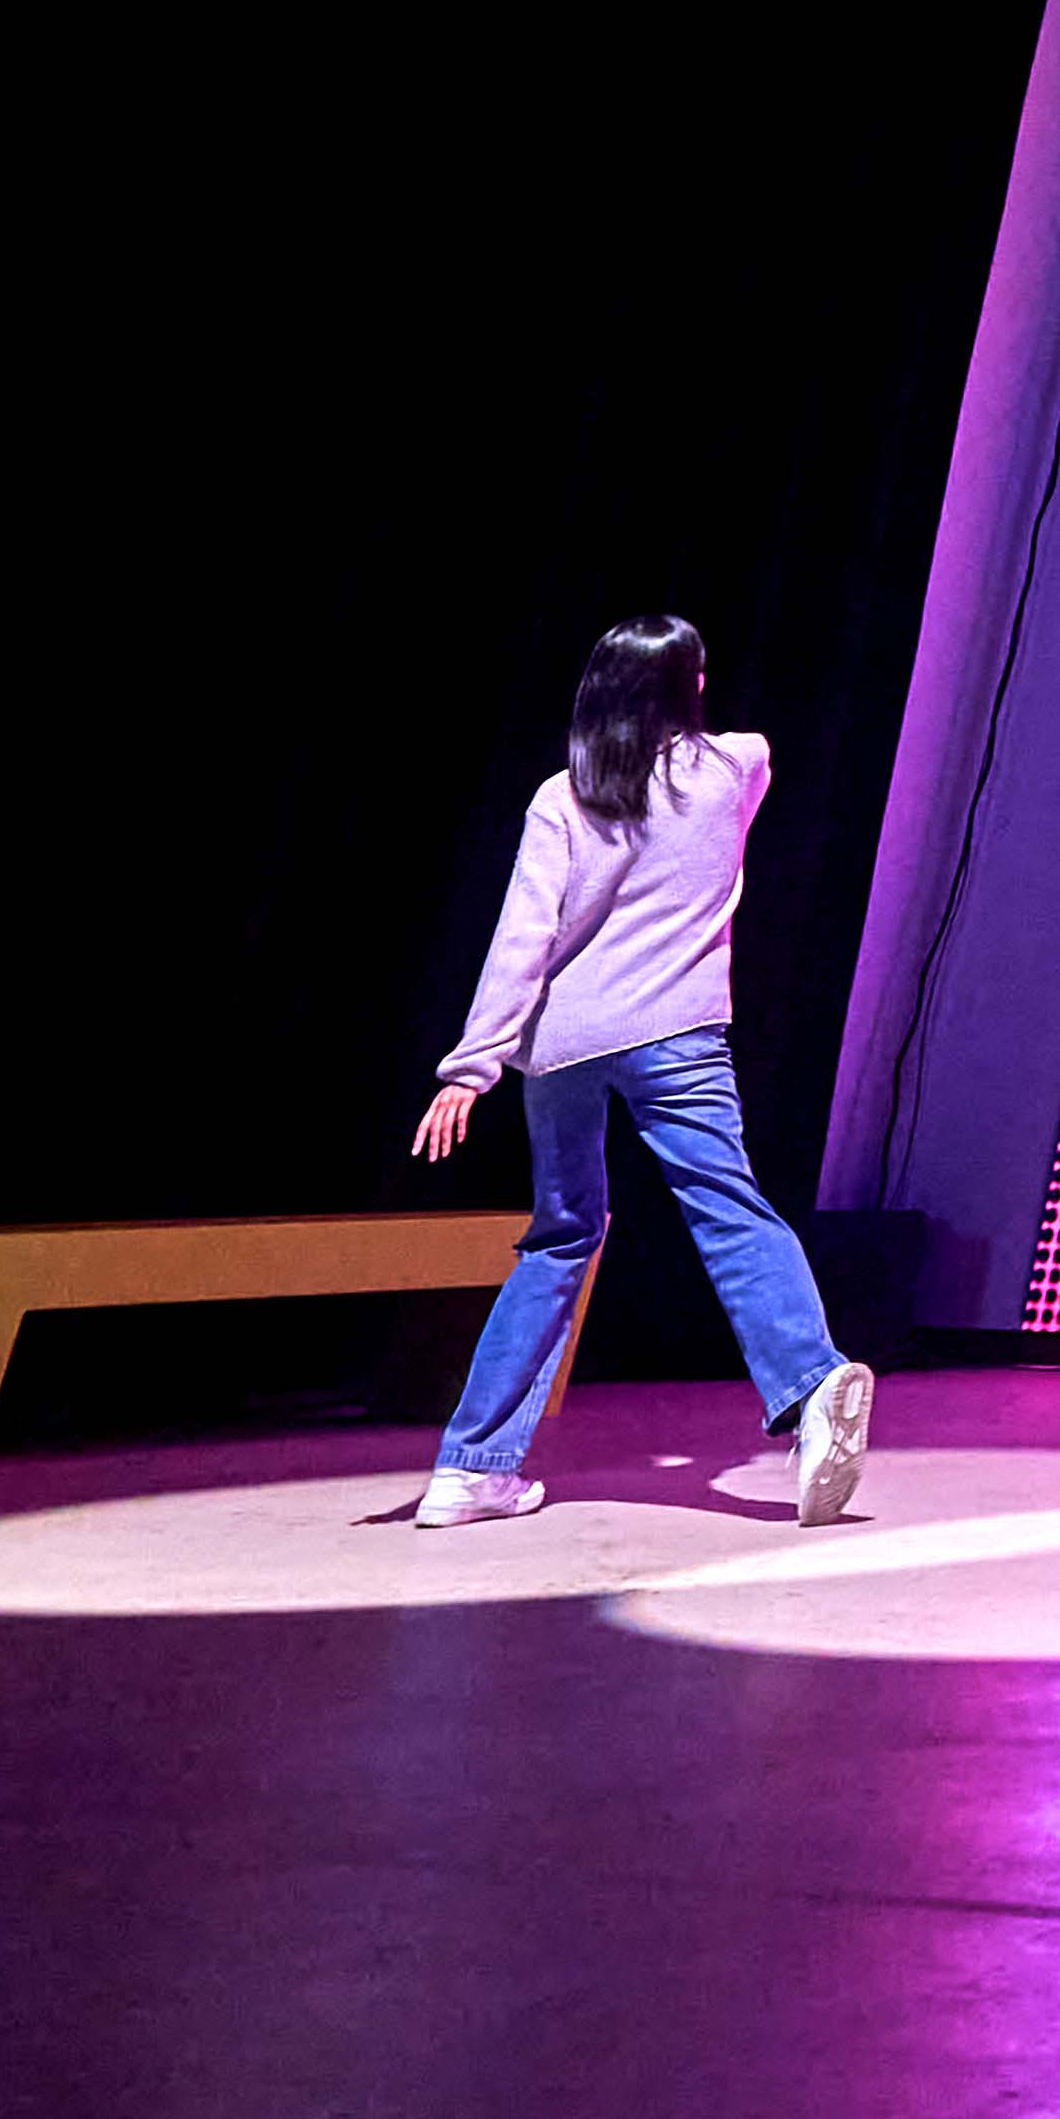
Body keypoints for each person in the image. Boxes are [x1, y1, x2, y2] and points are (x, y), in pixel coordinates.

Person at [406, 615, 869, 1528]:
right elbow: (733, 766)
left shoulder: (563, 797)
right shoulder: (735, 768)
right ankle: (812, 1381)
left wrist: (474, 1065)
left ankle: (469, 1470)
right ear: (690, 687)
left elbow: (524, 935)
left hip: (563, 1044)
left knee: (560, 1237)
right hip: (676, 1032)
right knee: (729, 1208)